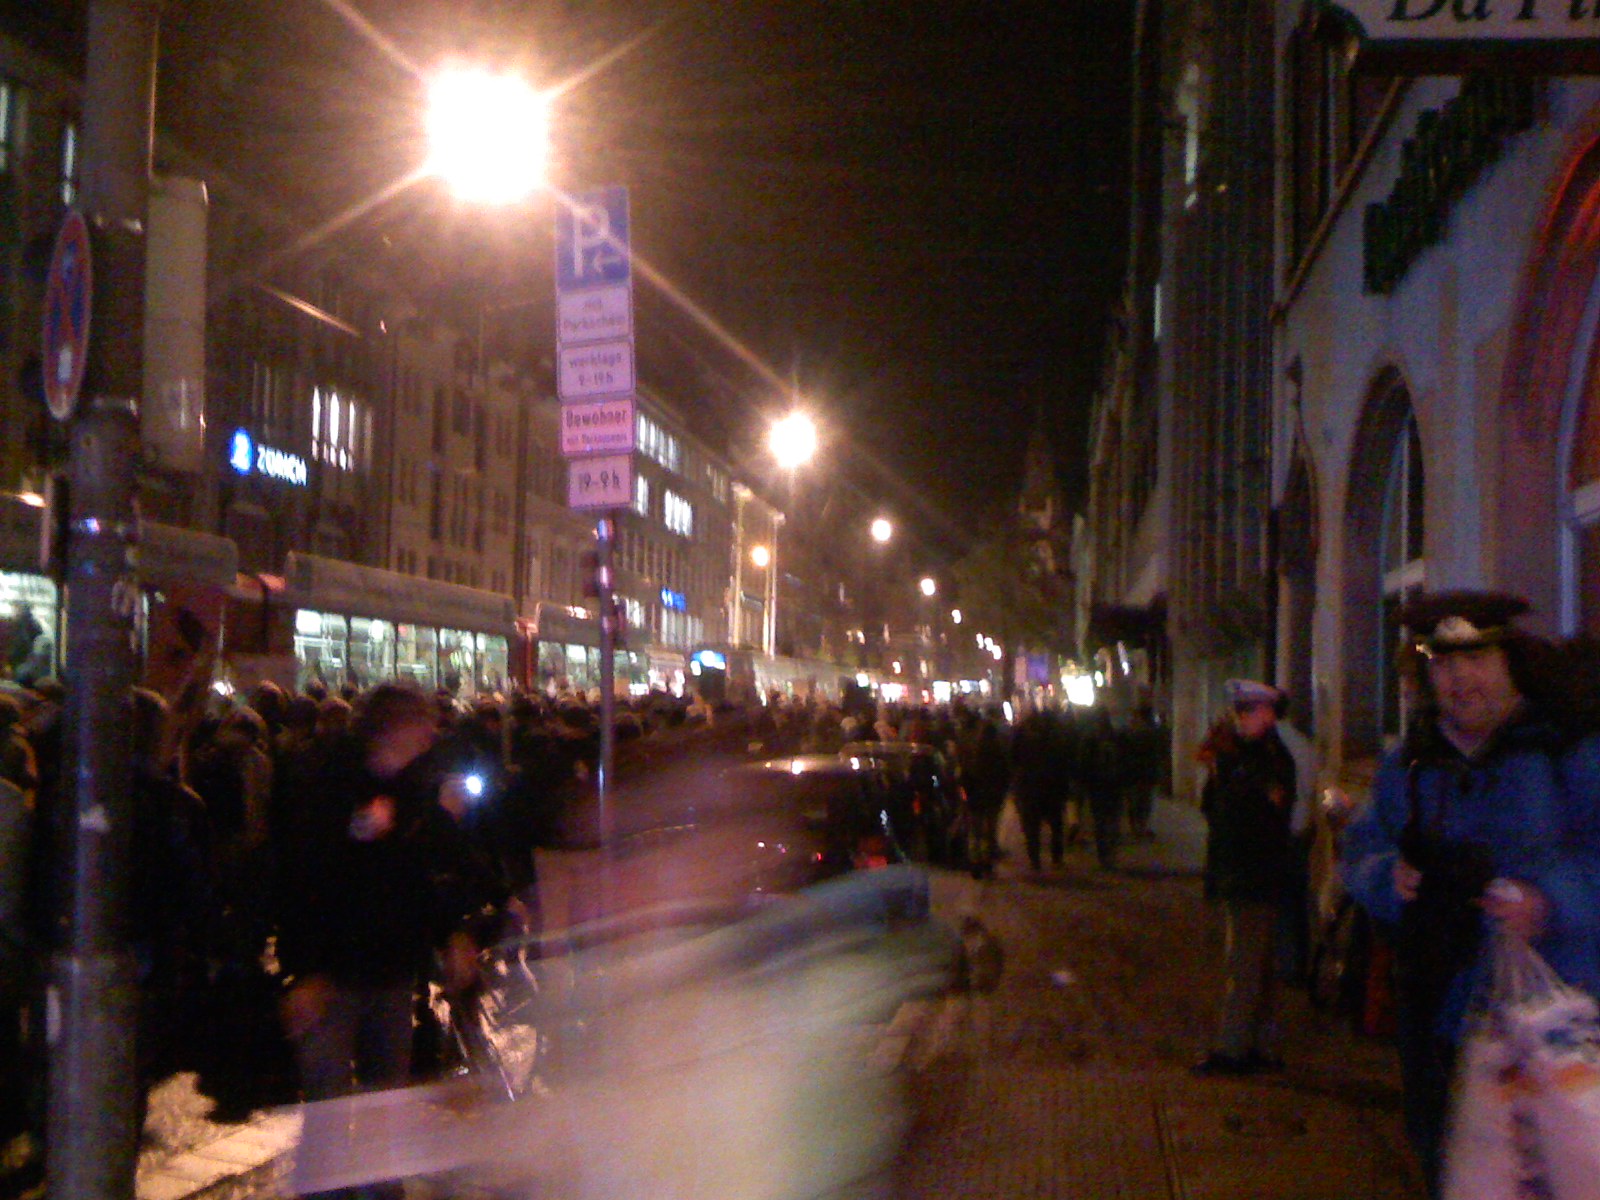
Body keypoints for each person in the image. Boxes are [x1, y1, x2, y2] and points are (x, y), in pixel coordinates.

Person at [1341, 591, 1600, 1196]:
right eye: (1442, 663)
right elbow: (1362, 847)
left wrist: (1550, 900)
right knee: (1454, 1165)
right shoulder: (1410, 764)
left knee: (1558, 1169)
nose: (1459, 678)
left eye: (1476, 659)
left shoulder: (1566, 750)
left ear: (1510, 662)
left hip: (1553, 1018)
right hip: (1439, 1016)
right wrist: (1384, 875)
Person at [275, 683, 488, 1200]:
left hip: (391, 971)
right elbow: (298, 879)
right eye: (421, 721)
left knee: (384, 1103)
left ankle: (380, 1189)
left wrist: (450, 934)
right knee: (329, 1111)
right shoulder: (328, 782)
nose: (431, 731)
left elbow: (421, 877)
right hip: (333, 975)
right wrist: (306, 971)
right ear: (392, 728)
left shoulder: (414, 789)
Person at [1193, 679, 1298, 1077]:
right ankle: (1262, 1046)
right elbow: (1213, 808)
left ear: (1267, 714)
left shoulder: (1267, 760)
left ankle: (1233, 1049)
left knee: (1245, 966)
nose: (1241, 719)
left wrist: (1227, 768)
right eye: (1239, 711)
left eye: (1249, 711)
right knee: (1260, 965)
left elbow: (1255, 817)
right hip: (1245, 872)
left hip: (1255, 874)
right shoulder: (1243, 755)